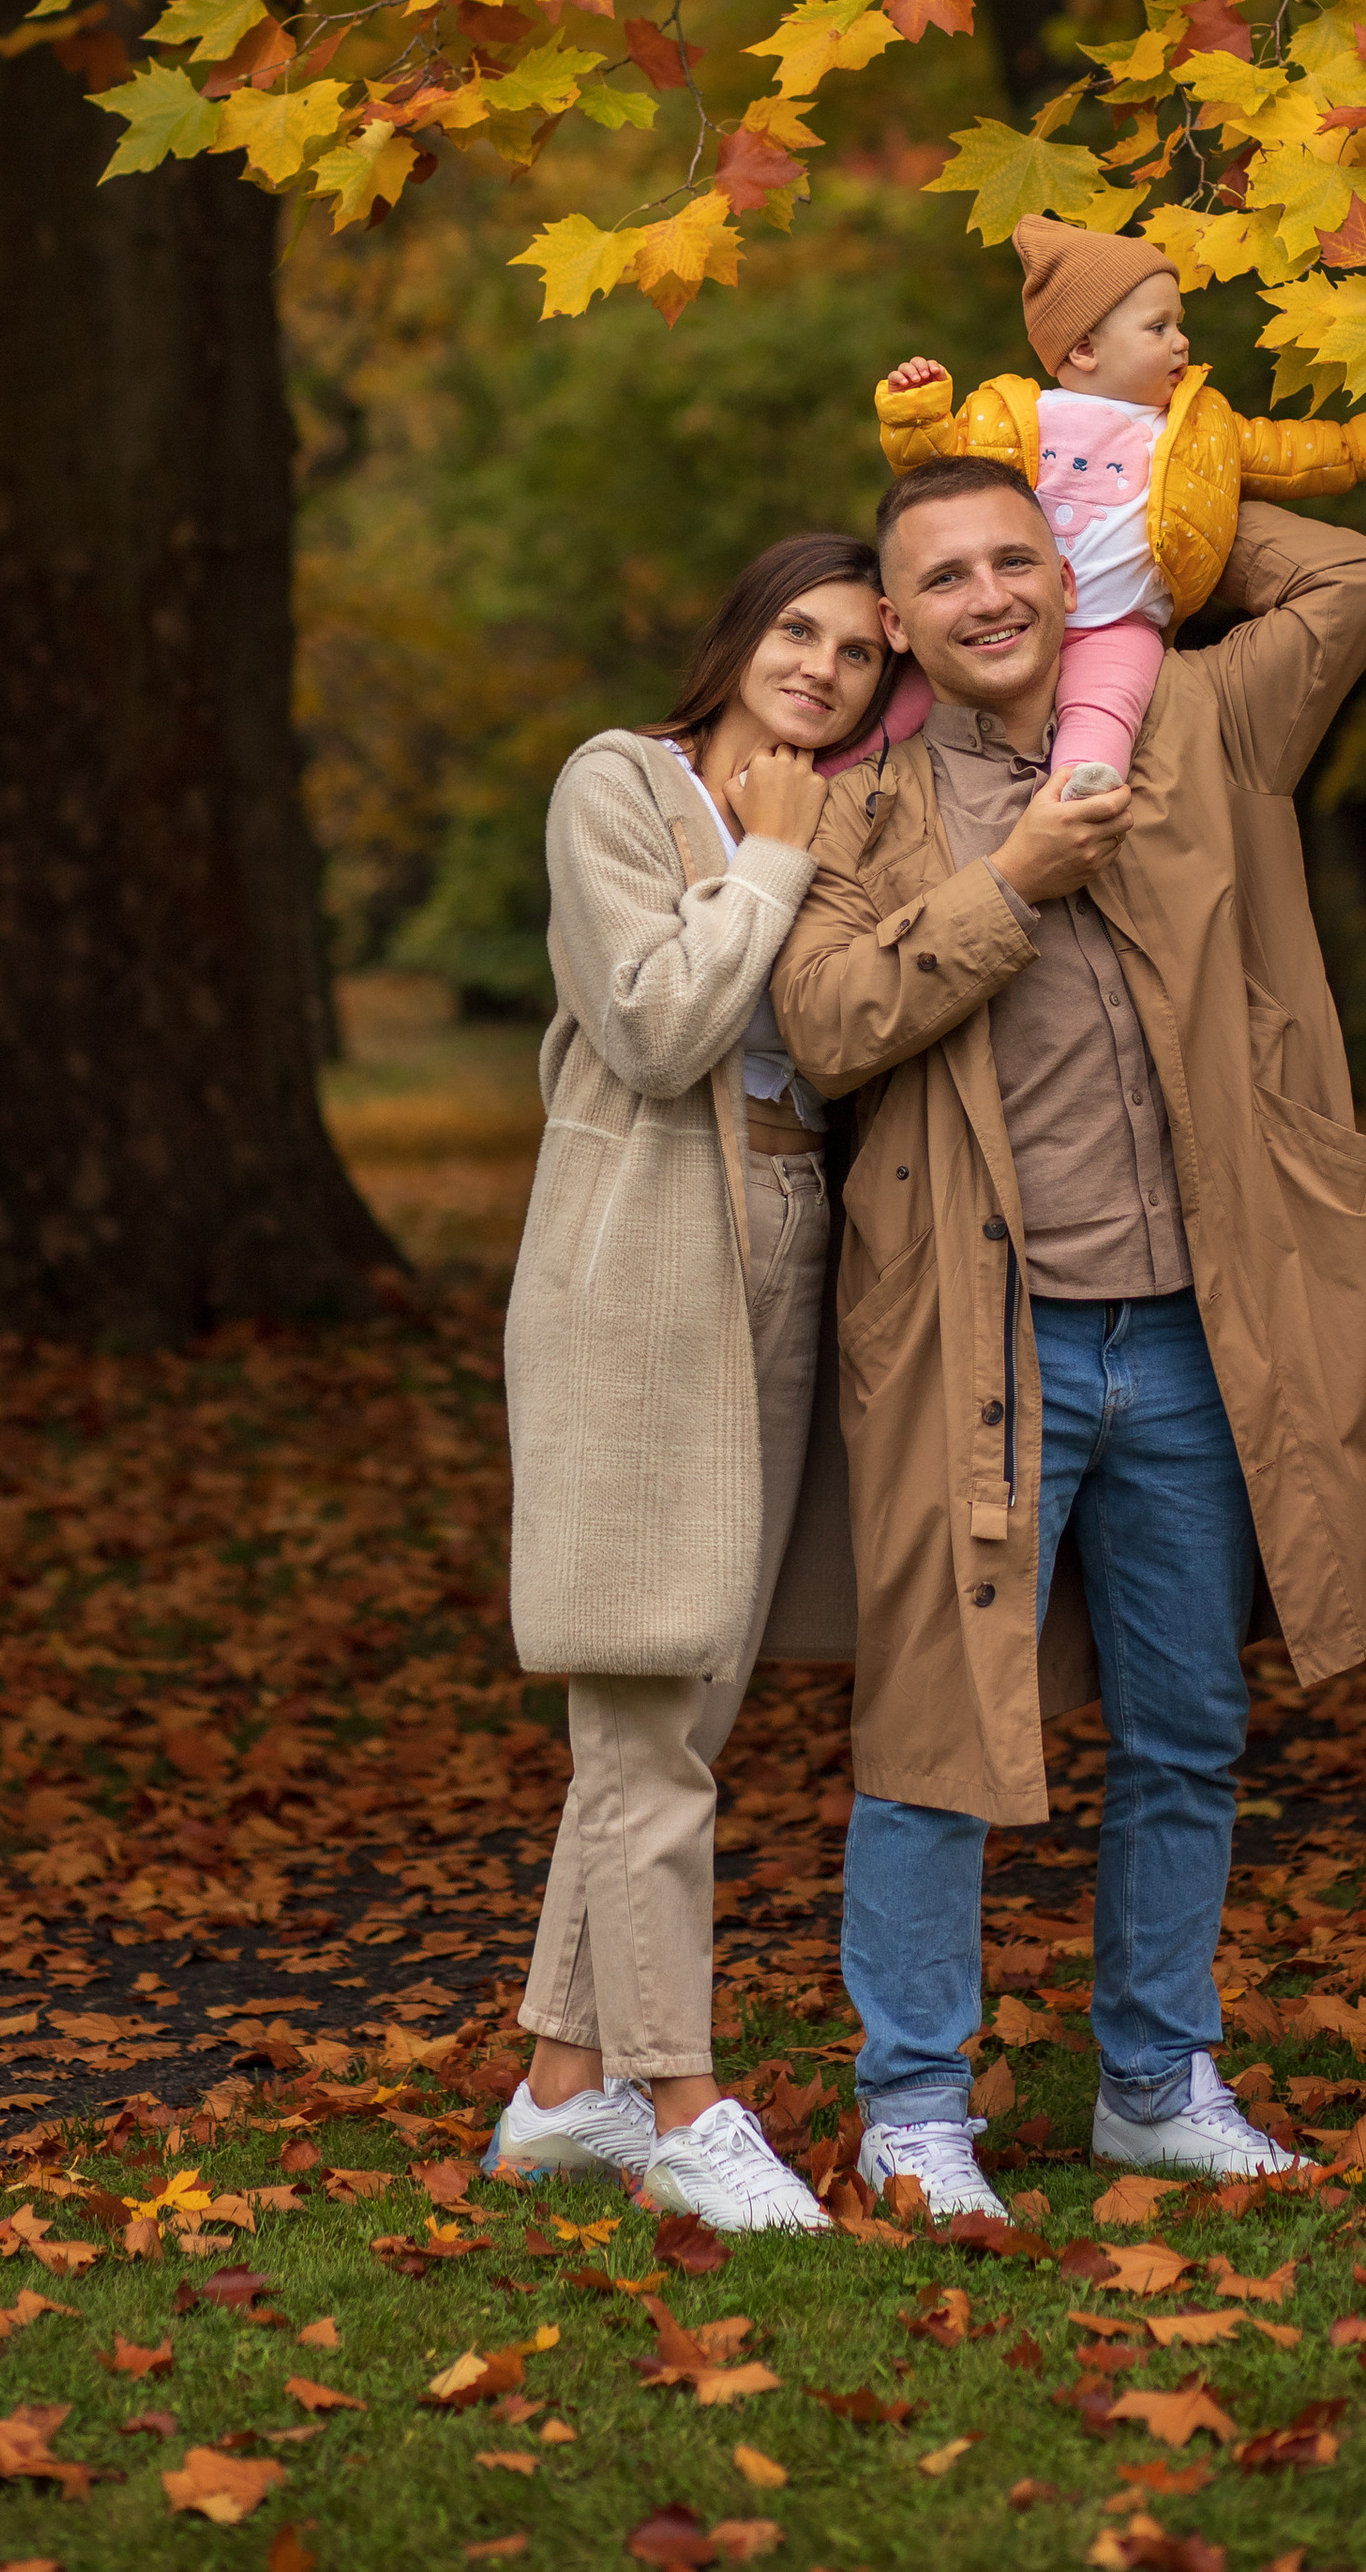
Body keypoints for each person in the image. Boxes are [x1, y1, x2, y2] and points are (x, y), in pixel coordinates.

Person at [771, 454, 1366, 2219]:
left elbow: (1353, 573)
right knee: (934, 1739)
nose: (991, 593)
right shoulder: (869, 805)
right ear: (900, 625)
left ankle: (1156, 2078)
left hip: (1203, 1342)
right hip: (981, 1338)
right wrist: (1014, 878)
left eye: (1023, 557)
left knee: (1187, 1726)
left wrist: (1137, 462)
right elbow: (832, 1022)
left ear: (1070, 577)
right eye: (948, 577)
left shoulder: (1202, 729)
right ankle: (915, 2104)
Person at [484, 533, 892, 2233]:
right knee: (649, 1692)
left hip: (791, 1226)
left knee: (687, 1695)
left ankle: (562, 2095)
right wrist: (776, 870)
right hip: (646, 1246)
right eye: (797, 628)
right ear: (738, 634)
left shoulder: (847, 813)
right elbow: (654, 1028)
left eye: (862, 651)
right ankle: (688, 2102)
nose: (822, 665)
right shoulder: (622, 787)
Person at [848, 217, 1366, 787]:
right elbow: (934, 476)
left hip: (1120, 622)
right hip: (1009, 608)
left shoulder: (1201, 428)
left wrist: (1363, 443)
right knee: (900, 708)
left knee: (1108, 702)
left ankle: (1082, 781)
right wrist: (916, 410)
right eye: (1158, 327)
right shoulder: (1016, 416)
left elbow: (1288, 452)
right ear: (1083, 348)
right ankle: (829, 774)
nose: (1181, 341)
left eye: (1179, 324)